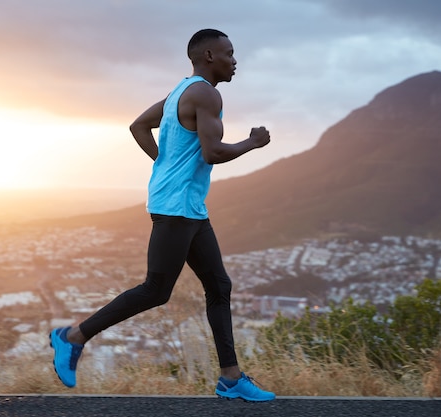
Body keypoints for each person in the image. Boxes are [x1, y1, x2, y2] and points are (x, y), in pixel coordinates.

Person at [49, 28, 275, 402]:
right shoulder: (206, 93)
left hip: (186, 205)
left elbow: (138, 125)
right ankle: (71, 337)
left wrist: (165, 163)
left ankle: (231, 379)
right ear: (208, 56)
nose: (235, 61)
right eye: (229, 53)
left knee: (219, 287)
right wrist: (252, 142)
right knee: (156, 290)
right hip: (176, 208)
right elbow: (212, 153)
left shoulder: (179, 93)